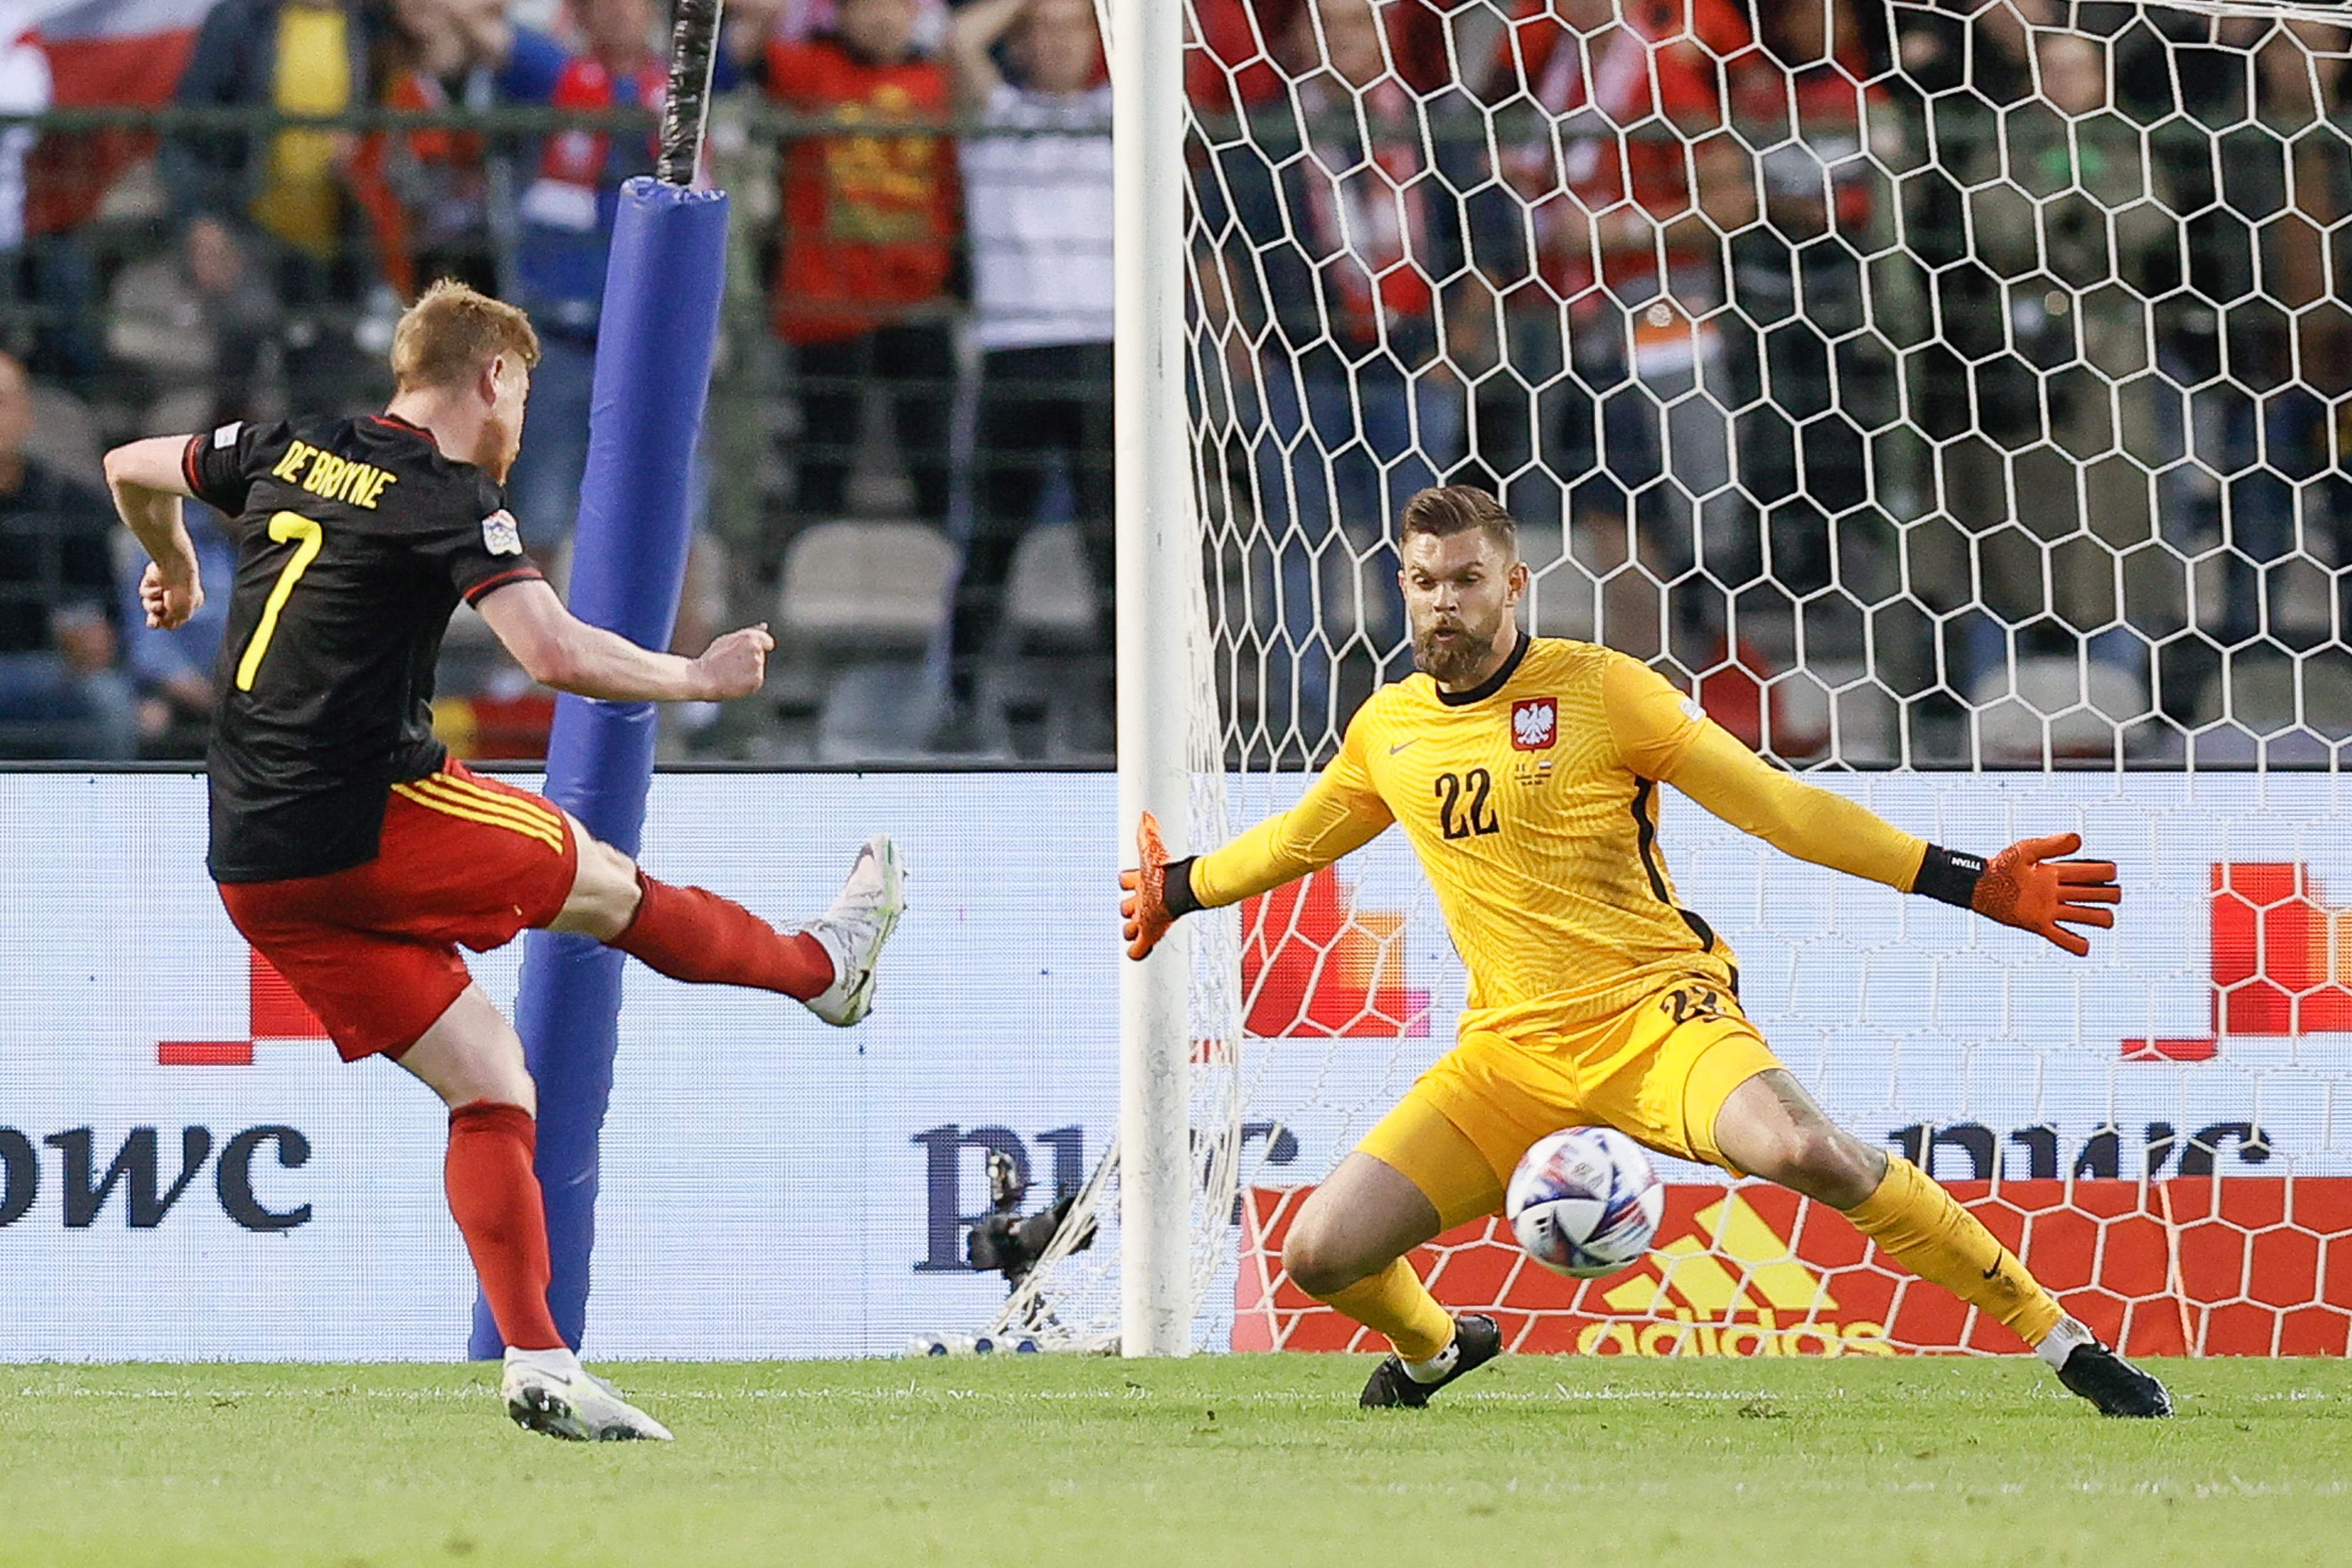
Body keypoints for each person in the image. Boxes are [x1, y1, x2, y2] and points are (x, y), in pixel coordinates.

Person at [1118, 484, 2172, 1419]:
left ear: (1514, 584)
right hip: (1508, 1058)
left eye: (1468, 579)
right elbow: (1302, 837)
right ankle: (1437, 1350)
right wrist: (1178, 889)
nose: (1444, 600)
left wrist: (1966, 878)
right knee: (1320, 1253)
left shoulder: (1604, 689)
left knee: (1814, 1152)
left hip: (1658, 1017)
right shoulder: (1387, 728)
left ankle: (2062, 1339)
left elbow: (1780, 806)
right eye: (1424, 581)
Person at [101, 280, 906, 1442]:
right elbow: (553, 652)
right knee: (608, 885)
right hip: (371, 815)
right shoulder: (445, 497)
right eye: (522, 390)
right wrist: (698, 676)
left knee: (489, 1080)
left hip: (253, 859)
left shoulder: (287, 443)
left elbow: (131, 461)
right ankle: (816, 970)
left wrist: (171, 565)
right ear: (492, 378)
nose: (521, 417)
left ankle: (536, 1359)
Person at [934, 0, 1112, 751]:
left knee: (1114, 542)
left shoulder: (1123, 115)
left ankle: (1120, 706)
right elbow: (956, 38)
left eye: (1075, 26)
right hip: (1014, 347)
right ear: (1021, 41)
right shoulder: (995, 112)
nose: (1060, 43)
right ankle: (961, 697)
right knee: (992, 539)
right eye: (1043, 28)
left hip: (1105, 346)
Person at [751, 0, 960, 568]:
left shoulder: (943, 78)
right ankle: (790, 588)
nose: (881, 17)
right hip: (827, 302)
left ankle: (953, 589)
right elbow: (749, 45)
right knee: (822, 460)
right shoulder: (811, 68)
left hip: (917, 299)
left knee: (935, 461)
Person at [0, 352, 137, 758]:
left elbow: (103, 614)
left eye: (2, 403)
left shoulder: (68, 501)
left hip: (52, 670)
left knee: (108, 702)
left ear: (26, 414)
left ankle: (103, 821)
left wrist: (94, 641)